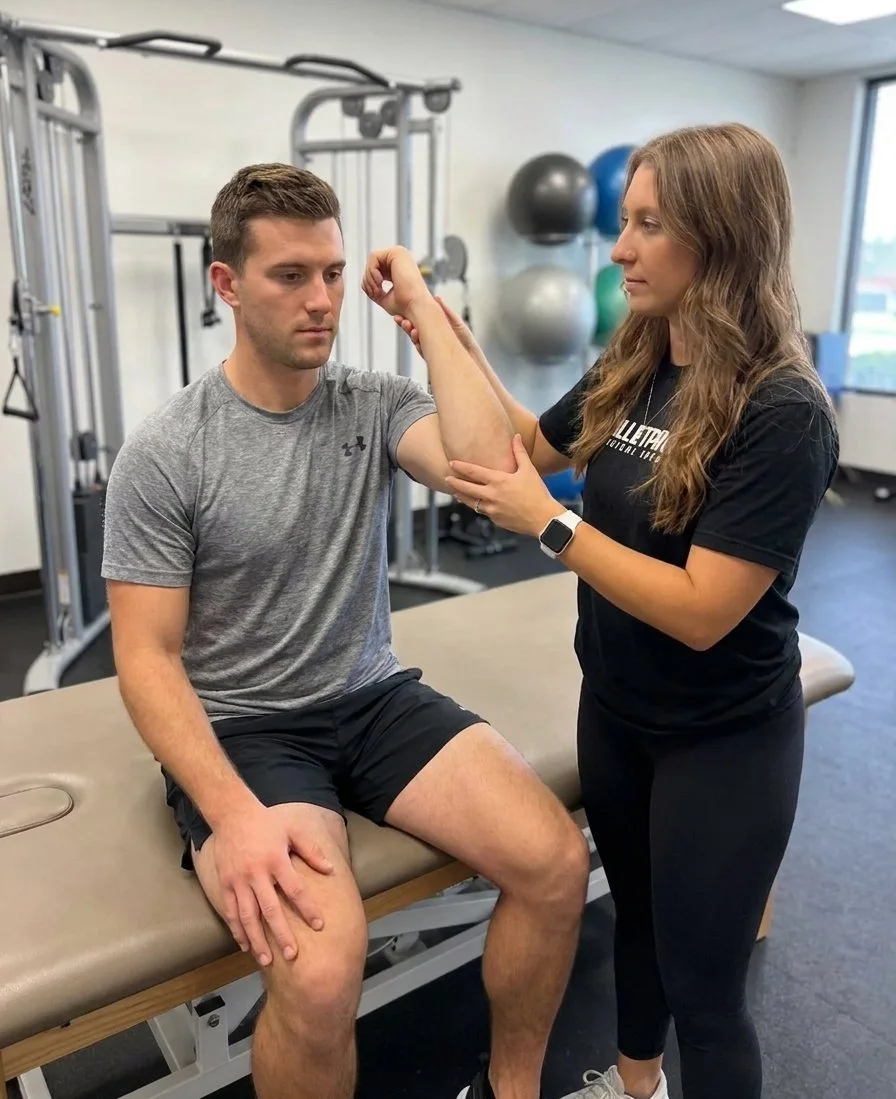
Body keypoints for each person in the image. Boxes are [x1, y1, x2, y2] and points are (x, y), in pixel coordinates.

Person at [100, 162, 591, 1099]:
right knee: (322, 974)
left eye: (332, 272)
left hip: (372, 697)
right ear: (227, 284)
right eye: (291, 275)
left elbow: (495, 465)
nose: (322, 299)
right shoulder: (168, 453)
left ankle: (511, 1090)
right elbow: (145, 657)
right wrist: (234, 815)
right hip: (246, 729)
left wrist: (420, 303)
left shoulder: (369, 403)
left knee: (554, 861)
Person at [391, 122, 839, 1099]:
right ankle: (633, 1087)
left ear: (718, 236)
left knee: (705, 987)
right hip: (618, 711)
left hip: (720, 739)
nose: (620, 247)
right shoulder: (634, 360)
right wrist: (434, 320)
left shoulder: (780, 409)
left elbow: (700, 611)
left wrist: (548, 527)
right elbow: (527, 441)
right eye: (623, 219)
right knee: (632, 927)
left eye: (647, 225)